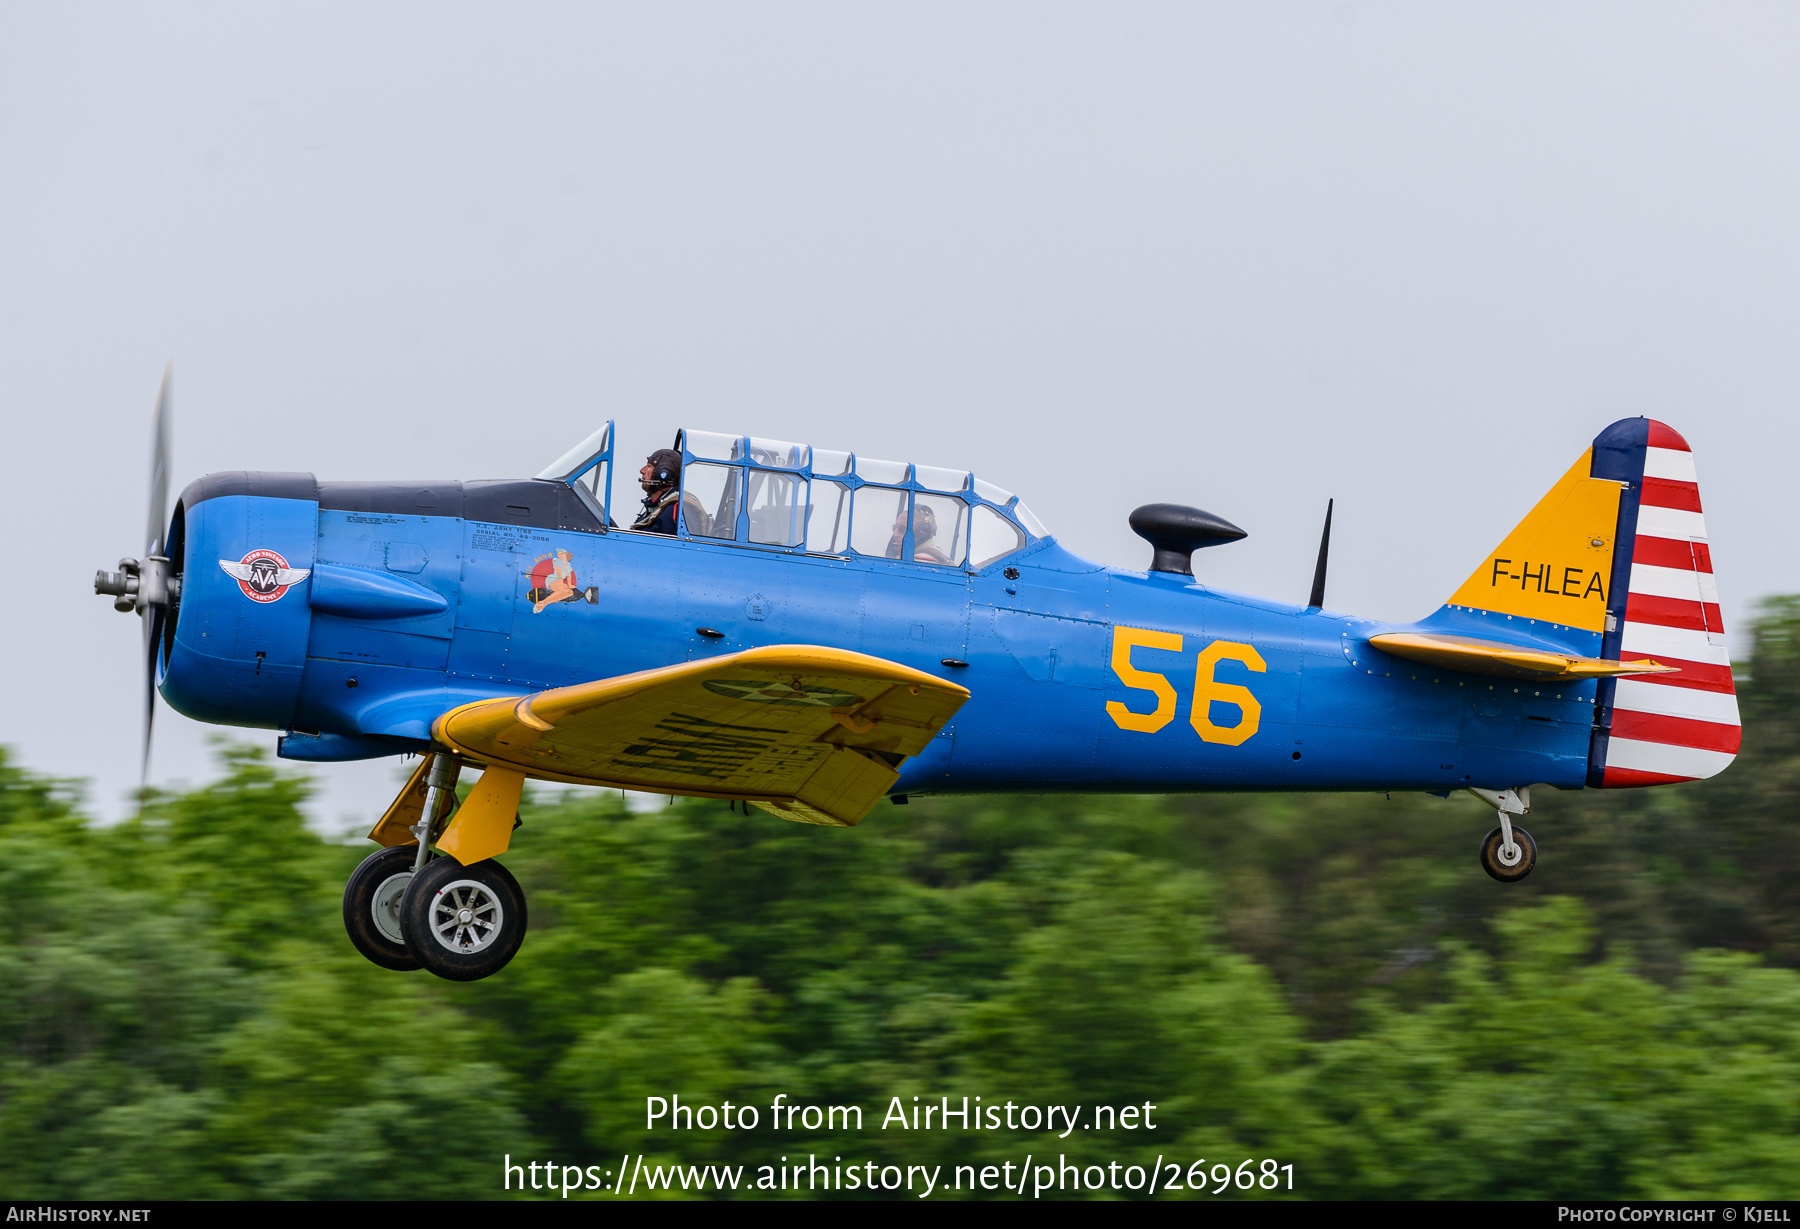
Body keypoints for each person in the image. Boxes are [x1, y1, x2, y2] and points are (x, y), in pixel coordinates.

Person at [632, 449, 682, 534]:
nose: (642, 470)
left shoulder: (672, 511)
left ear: (664, 473)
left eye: (649, 466)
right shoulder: (656, 509)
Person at [887, 502, 951, 564]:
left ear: (922, 532)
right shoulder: (933, 552)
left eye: (901, 529)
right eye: (894, 528)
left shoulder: (920, 562)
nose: (894, 534)